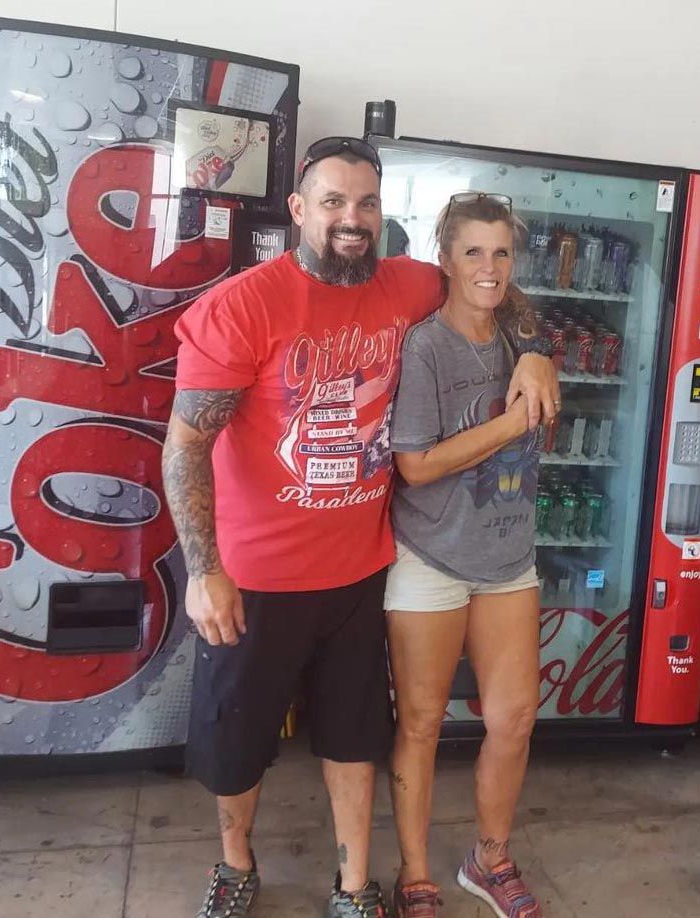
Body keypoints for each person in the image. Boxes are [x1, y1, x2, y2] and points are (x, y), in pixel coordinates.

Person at [161, 137, 559, 918]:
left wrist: (539, 349)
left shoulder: (406, 284)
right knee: (239, 743)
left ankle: (353, 885)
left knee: (353, 741)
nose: (353, 218)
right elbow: (185, 445)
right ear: (300, 209)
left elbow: (491, 283)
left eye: (367, 203)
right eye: (335, 202)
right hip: (255, 577)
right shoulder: (243, 304)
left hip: (361, 570)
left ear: (383, 213)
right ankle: (237, 865)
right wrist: (203, 566)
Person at [385, 193, 548, 918]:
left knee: (514, 719)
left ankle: (490, 859)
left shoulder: (525, 337)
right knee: (420, 723)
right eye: (473, 251)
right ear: (444, 259)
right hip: (429, 556)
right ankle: (416, 874)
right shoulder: (424, 347)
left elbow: (548, 407)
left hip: (509, 555)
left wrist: (541, 359)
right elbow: (415, 466)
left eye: (502, 251)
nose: (489, 267)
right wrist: (513, 422)